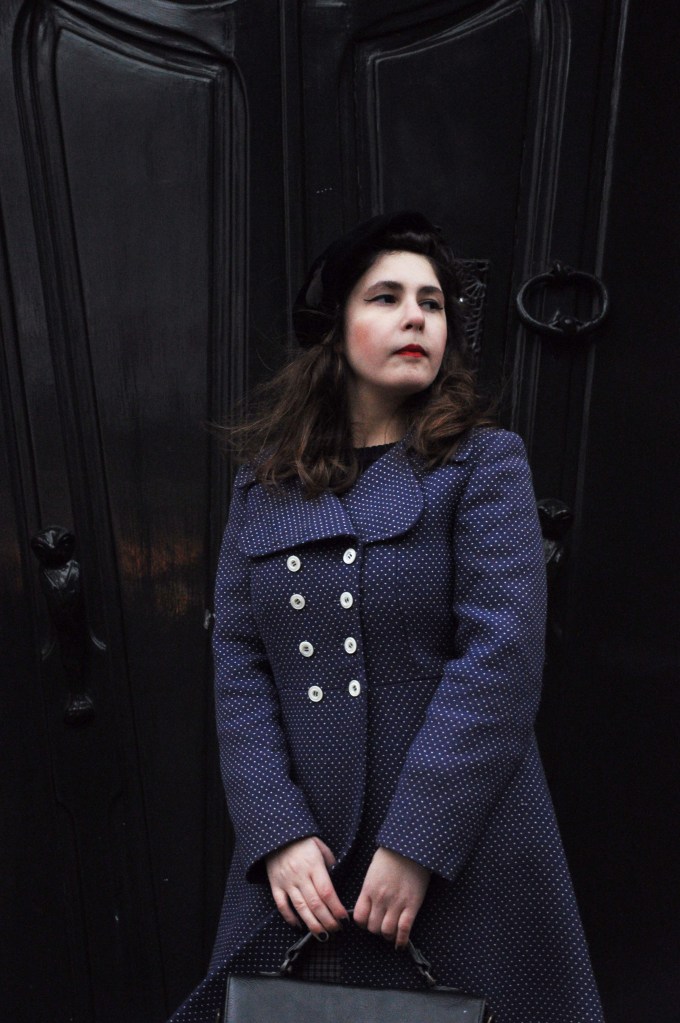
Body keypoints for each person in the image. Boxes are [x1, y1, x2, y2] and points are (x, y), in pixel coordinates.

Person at [168, 212, 604, 1023]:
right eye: (387, 298)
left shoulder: (484, 464)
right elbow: (240, 663)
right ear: (334, 329)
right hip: (308, 865)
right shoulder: (265, 485)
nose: (416, 318)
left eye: (432, 303)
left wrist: (416, 843)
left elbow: (500, 661)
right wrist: (275, 830)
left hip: (460, 851)